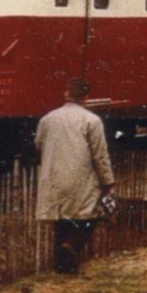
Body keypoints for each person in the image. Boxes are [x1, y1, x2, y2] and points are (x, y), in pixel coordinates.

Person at [35, 78, 115, 274]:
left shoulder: (47, 119)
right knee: (90, 216)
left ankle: (62, 265)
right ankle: (70, 249)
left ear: (66, 94)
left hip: (54, 177)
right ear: (86, 98)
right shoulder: (92, 121)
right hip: (81, 178)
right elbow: (99, 154)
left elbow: (38, 144)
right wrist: (108, 181)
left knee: (61, 218)